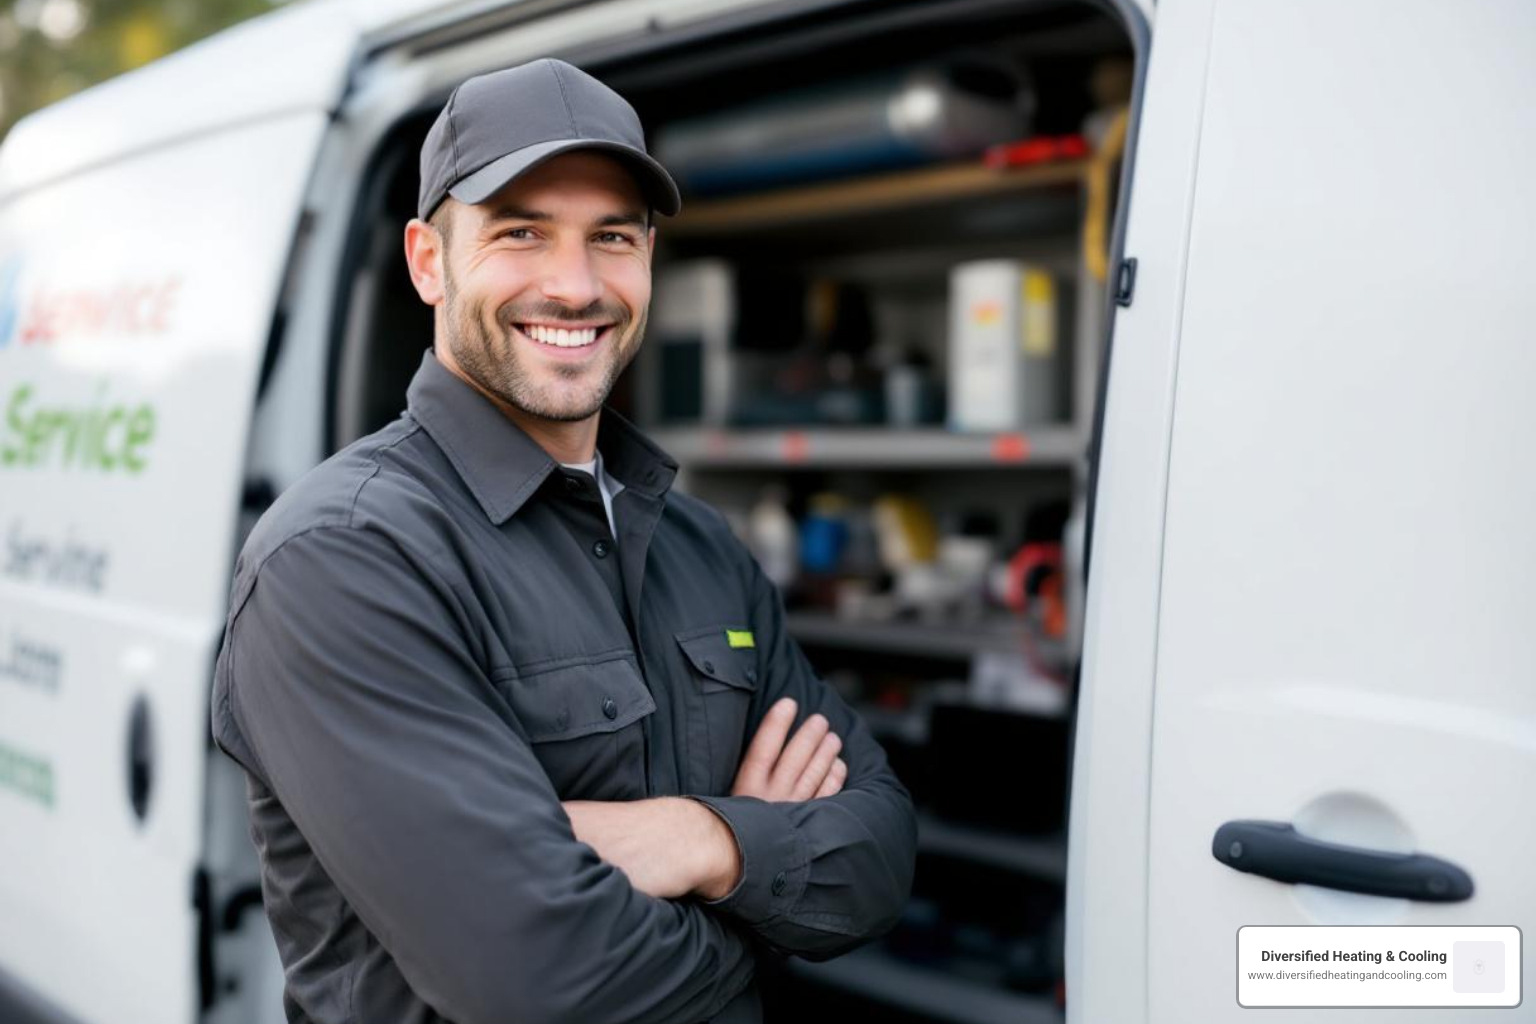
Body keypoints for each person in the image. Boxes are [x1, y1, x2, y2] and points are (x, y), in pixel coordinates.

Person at [209, 57, 917, 1024]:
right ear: (429, 261)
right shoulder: (344, 556)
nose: (576, 286)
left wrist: (700, 840)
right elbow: (532, 979)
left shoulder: (699, 545)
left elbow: (880, 855)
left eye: (612, 237)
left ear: (649, 258)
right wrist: (762, 896)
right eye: (521, 233)